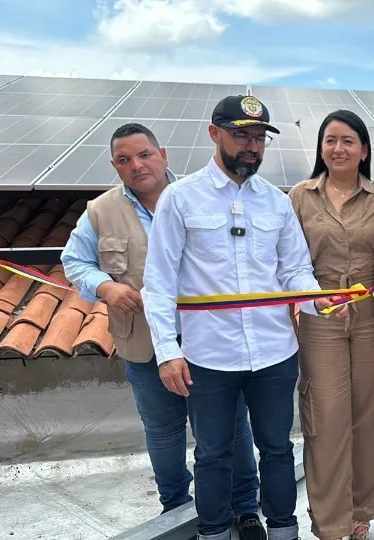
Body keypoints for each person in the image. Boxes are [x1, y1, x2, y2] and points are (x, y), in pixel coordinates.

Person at [143, 95, 338, 540]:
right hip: (208, 356)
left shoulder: (277, 202)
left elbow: (294, 271)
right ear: (215, 134)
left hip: (273, 351)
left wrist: (316, 300)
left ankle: (284, 530)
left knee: (277, 450)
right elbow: (157, 283)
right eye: (241, 136)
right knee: (212, 454)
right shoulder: (180, 198)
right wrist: (167, 353)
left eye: (258, 138)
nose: (251, 146)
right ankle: (214, 532)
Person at [62, 122, 265, 539]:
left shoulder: (199, 196)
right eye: (124, 160)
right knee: (164, 433)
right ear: (114, 166)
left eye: (144, 155)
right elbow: (73, 261)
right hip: (144, 344)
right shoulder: (99, 212)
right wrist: (106, 285)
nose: (136, 166)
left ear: (164, 155)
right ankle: (177, 509)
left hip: (208, 340)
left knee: (233, 428)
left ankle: (245, 508)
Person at [288, 109, 374, 540]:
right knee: (326, 419)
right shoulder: (299, 196)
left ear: (364, 149)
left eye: (348, 140)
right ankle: (330, 523)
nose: (338, 148)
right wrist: (312, 299)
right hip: (321, 318)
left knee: (372, 418)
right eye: (330, 140)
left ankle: (361, 513)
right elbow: (288, 261)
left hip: (372, 317)